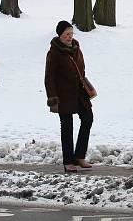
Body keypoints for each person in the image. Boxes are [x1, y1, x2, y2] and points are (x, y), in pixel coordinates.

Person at [45, 20, 97, 173]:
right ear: (60, 35)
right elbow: (49, 78)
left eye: (71, 33)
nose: (69, 37)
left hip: (80, 92)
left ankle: (79, 156)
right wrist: (52, 98)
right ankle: (68, 161)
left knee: (88, 119)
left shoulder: (76, 48)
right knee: (67, 127)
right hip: (63, 95)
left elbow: (82, 68)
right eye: (66, 34)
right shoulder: (54, 53)